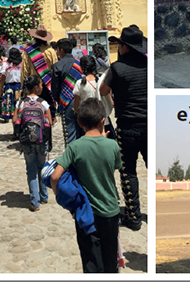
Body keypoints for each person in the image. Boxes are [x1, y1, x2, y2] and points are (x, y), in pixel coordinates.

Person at [51, 98, 122, 273]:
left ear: (79, 122)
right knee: (110, 259)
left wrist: (58, 195)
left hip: (86, 214)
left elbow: (55, 176)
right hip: (111, 212)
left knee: (91, 260)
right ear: (102, 120)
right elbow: (115, 166)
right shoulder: (112, 145)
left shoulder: (74, 147)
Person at [100, 25, 147, 231]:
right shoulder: (149, 65)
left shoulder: (117, 68)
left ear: (125, 47)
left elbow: (103, 91)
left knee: (128, 172)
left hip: (127, 125)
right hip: (149, 124)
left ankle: (133, 217)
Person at [14, 75, 52, 211]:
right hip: (41, 140)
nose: (42, 87)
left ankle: (35, 202)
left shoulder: (20, 103)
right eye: (41, 85)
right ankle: (44, 196)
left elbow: (14, 120)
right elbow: (49, 122)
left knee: (31, 169)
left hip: (27, 141)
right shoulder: (43, 103)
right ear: (36, 87)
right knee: (42, 167)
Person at [22, 24, 58, 126]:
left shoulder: (29, 51)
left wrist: (24, 86)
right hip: (48, 85)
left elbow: (25, 70)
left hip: (33, 86)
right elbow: (55, 69)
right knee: (48, 112)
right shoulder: (51, 51)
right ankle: (48, 130)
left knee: (34, 111)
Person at [51, 38, 82, 145]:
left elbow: (55, 87)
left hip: (66, 101)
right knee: (82, 130)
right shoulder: (79, 63)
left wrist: (57, 100)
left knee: (69, 131)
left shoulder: (57, 65)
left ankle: (71, 154)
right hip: (81, 100)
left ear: (61, 49)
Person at [76, 55, 114, 139]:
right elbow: (111, 102)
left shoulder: (79, 83)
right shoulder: (101, 82)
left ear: (81, 67)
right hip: (102, 119)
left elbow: (76, 107)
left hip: (87, 120)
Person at [0, 48, 23, 122]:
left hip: (9, 87)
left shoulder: (6, 65)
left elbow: (2, 78)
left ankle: (9, 117)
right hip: (19, 87)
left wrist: (1, 89)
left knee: (9, 103)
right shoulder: (22, 64)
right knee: (19, 104)